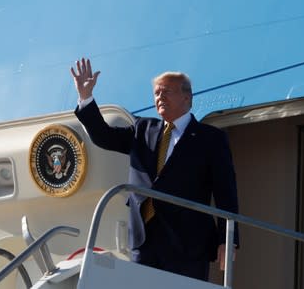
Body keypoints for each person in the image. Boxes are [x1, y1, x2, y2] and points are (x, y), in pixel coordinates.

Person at [71, 58, 239, 281]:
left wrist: (227, 239)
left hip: (187, 244)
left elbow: (225, 190)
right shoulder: (142, 129)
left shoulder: (211, 139)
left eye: (166, 92)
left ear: (186, 97)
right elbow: (104, 136)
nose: (159, 97)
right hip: (145, 240)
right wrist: (86, 98)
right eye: (157, 93)